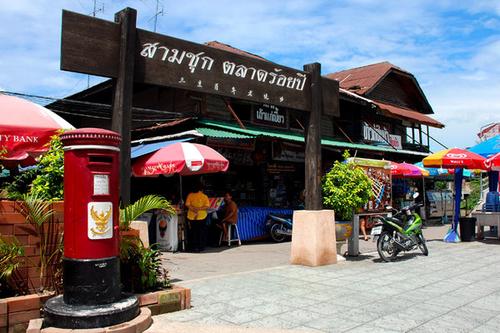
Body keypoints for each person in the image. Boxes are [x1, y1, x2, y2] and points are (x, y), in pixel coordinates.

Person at [185, 182, 210, 252]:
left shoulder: (190, 195)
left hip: (192, 216)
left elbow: (187, 204)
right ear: (201, 189)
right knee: (201, 232)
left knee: (193, 232)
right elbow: (207, 206)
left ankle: (194, 246)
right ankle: (201, 246)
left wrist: (194, 209)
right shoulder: (204, 196)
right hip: (202, 216)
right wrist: (199, 209)